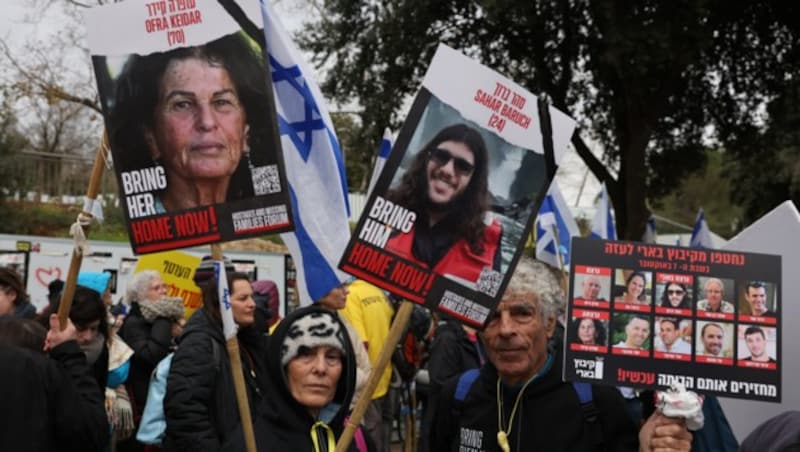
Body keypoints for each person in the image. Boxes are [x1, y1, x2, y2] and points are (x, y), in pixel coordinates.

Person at [429, 256, 692, 451]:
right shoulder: (457, 395)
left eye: (522, 313)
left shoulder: (596, 399)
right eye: (493, 317)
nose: (506, 329)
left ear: (550, 324)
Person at [110, 33, 275, 212]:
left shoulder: (265, 223)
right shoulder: (140, 224)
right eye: (183, 104)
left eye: (221, 102)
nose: (207, 122)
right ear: (150, 137)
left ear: (246, 134)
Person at [384, 124, 502, 285]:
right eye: (441, 156)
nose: (447, 170)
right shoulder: (386, 207)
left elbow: (490, 301)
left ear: (474, 179)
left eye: (462, 166)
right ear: (427, 159)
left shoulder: (490, 240)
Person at [164, 270, 269, 450]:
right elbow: (184, 411)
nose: (252, 304)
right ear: (222, 304)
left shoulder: (245, 339)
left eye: (252, 297)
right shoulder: (199, 343)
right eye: (243, 299)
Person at [261, 304, 373, 451]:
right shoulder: (250, 442)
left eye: (332, 357)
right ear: (282, 368)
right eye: (305, 354)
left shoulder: (357, 438)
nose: (321, 368)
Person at [0, 315, 109, 452]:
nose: (88, 337)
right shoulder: (48, 379)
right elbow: (93, 430)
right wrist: (69, 354)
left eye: (94, 329)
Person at [118, 270, 183, 452]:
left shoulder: (169, 318)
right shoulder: (134, 323)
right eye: (156, 288)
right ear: (140, 296)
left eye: (164, 286)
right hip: (144, 400)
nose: (163, 291)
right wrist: (164, 320)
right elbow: (151, 356)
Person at [340, 279, 395, 452]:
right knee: (384, 432)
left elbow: (361, 343)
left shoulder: (351, 297)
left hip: (368, 381)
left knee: (370, 436)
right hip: (385, 376)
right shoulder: (378, 292)